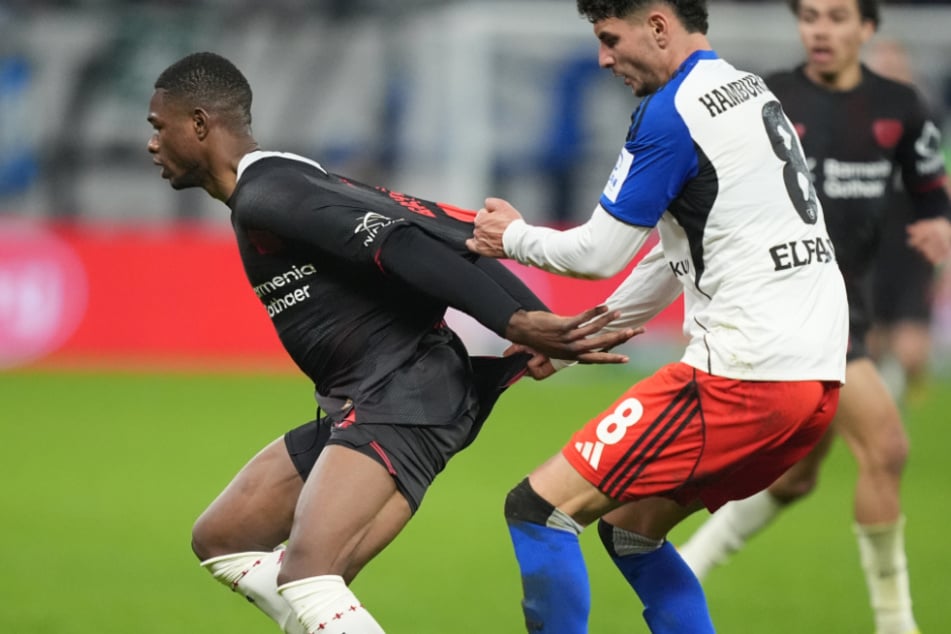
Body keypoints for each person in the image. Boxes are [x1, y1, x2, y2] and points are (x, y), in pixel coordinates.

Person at [146, 52, 638, 634]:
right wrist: (530, 316)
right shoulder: (287, 178)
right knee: (224, 538)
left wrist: (515, 322)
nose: (152, 143)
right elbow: (440, 229)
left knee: (308, 576)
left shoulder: (269, 194)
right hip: (365, 398)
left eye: (159, 126)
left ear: (200, 124)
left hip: (405, 393)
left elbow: (404, 246)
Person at [465, 1, 849, 632]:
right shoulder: (748, 91)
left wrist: (513, 236)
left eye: (610, 38)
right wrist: (573, 341)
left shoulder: (674, 113)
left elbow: (597, 252)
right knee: (631, 533)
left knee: (538, 510)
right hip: (813, 383)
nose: (603, 58)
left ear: (659, 25)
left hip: (741, 376)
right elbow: (677, 258)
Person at [677, 3, 951, 634]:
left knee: (799, 473)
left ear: (867, 29)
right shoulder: (766, 98)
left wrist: (936, 224)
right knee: (887, 446)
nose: (819, 30)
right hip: (788, 302)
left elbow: (929, 189)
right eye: (809, 17)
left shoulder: (901, 107)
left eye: (835, 17)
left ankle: (693, 558)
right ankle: (896, 623)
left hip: (848, 302)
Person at [864, 37, 944, 405]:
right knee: (873, 342)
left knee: (912, 350)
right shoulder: (852, 119)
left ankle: (903, 396)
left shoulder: (924, 120)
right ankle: (882, 412)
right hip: (869, 245)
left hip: (912, 246)